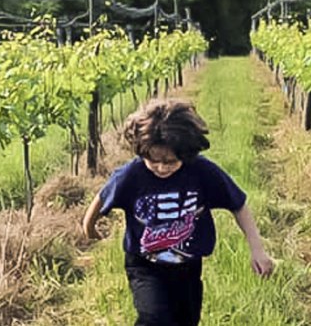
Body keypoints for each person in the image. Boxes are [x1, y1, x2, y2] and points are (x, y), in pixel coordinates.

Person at [82, 97, 274, 326]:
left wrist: (257, 250)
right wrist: (89, 228)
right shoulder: (130, 176)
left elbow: (238, 204)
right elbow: (102, 198)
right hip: (145, 265)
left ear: (186, 153)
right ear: (142, 150)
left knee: (186, 320)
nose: (162, 168)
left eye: (171, 162)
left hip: (188, 267)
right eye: (154, 161)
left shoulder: (201, 171)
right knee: (154, 318)